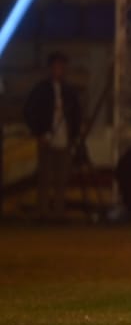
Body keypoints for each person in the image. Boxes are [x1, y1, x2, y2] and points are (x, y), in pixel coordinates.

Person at [23, 51, 82, 220]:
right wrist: (39, 133)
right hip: (46, 137)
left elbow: (76, 113)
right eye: (56, 67)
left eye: (62, 67)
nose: (59, 70)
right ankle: (42, 210)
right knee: (45, 177)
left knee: (62, 177)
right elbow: (29, 111)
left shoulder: (69, 91)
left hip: (64, 138)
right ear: (51, 68)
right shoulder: (41, 90)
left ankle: (58, 211)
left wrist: (74, 135)